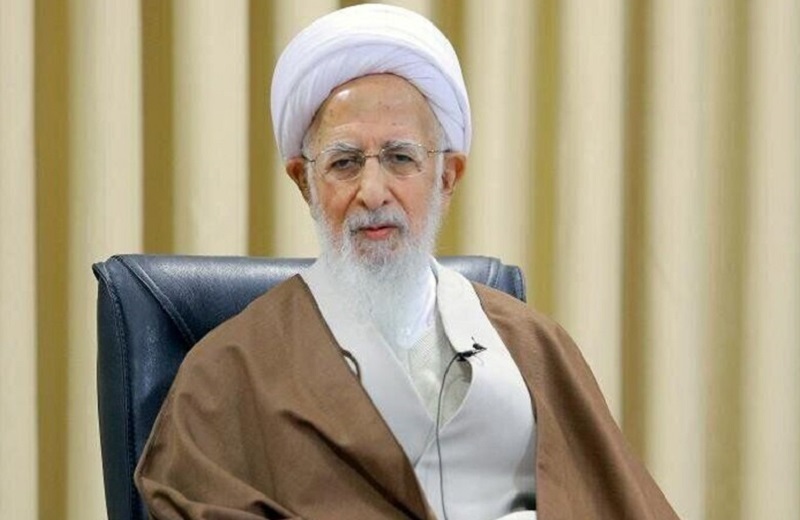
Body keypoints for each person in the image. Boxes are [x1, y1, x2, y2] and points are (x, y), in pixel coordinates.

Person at [134, 4, 677, 520]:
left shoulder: (535, 347)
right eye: (345, 163)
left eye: (400, 158)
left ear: (447, 177)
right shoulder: (225, 375)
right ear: (304, 182)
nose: (373, 192)